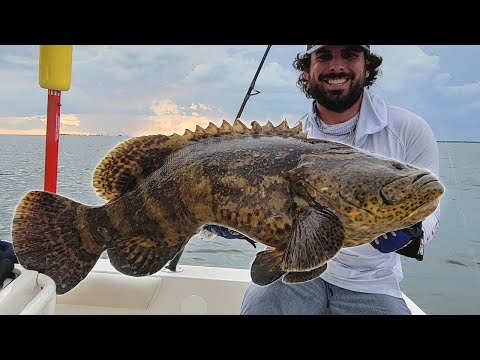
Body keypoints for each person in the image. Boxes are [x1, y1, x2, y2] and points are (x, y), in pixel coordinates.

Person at [237, 45, 441, 315]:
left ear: (367, 66)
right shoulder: (286, 142)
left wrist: (413, 234)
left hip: (371, 283)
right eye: (324, 56)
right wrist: (224, 223)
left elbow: (431, 204)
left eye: (349, 54)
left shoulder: (409, 129)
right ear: (307, 69)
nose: (336, 66)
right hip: (296, 263)